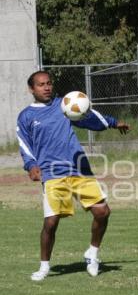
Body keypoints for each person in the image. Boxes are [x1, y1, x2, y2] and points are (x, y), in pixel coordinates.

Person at [17, 71, 129, 281]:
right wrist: (31, 165)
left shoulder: (65, 105)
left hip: (79, 169)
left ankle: (92, 254)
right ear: (32, 89)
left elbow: (89, 117)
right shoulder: (26, 116)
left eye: (49, 83)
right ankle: (44, 266)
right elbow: (24, 144)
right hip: (52, 173)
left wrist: (113, 122)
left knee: (102, 212)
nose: (46, 87)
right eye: (41, 85)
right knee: (51, 222)